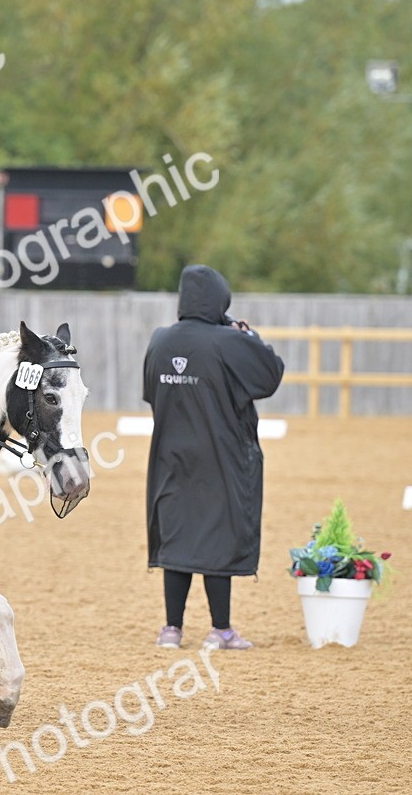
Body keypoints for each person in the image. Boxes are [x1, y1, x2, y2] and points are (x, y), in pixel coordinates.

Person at [143, 264, 284, 650]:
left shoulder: (160, 340)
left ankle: (172, 629)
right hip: (221, 456)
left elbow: (151, 392)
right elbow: (271, 374)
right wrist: (248, 335)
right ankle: (220, 630)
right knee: (217, 536)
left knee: (177, 536)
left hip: (170, 456)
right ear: (220, 299)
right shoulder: (229, 340)